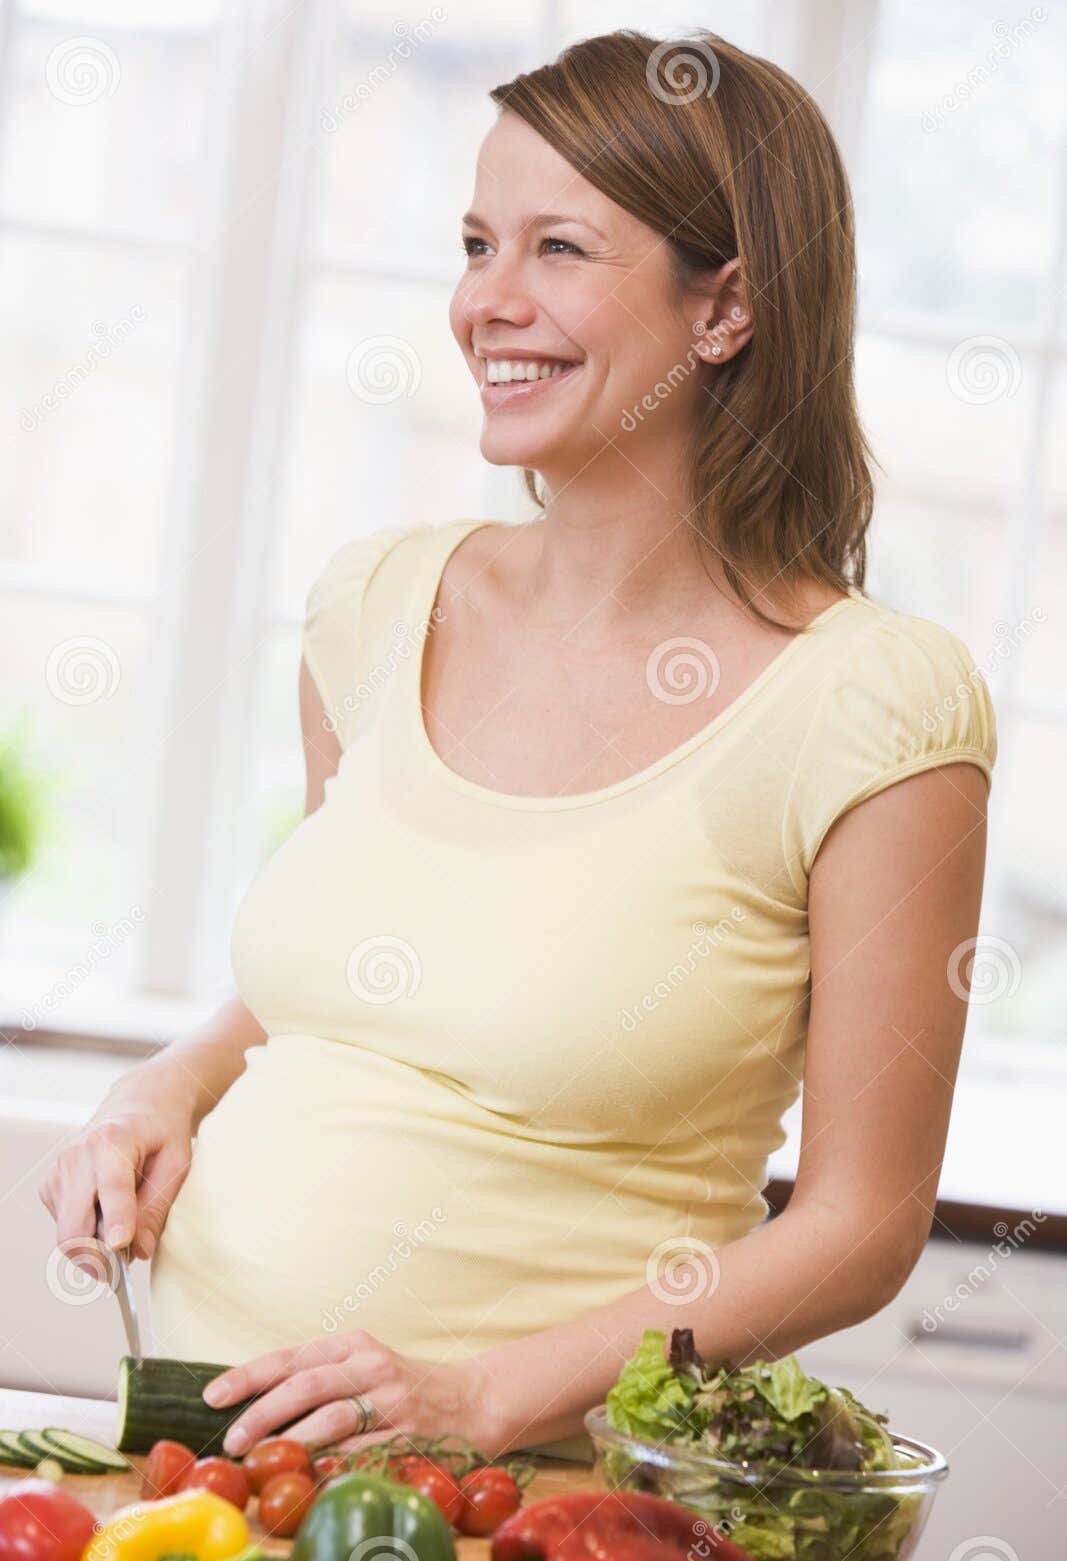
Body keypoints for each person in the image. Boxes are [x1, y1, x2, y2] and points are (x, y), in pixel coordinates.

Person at [41, 30, 995, 1462]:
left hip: (532, 1514)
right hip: (199, 1467)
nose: (487, 301)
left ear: (725, 309)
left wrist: (482, 1396)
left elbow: (863, 1223)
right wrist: (167, 1082)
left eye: (558, 249)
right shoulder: (380, 603)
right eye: (478, 242)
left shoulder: (871, 708)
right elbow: (358, 990)